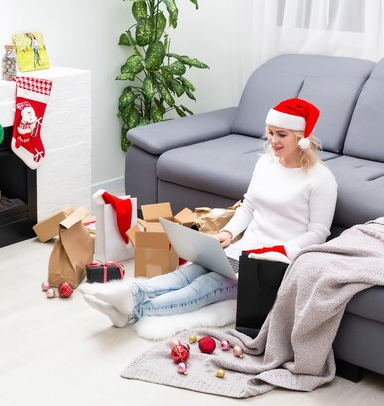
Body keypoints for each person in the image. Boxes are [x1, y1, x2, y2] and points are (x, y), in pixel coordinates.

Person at [82, 98, 338, 328]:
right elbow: (248, 205)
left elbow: (317, 234)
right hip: (243, 250)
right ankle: (134, 295)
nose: (273, 141)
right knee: (188, 272)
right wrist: (227, 232)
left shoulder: (320, 179)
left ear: (301, 136)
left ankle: (132, 310)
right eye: (270, 133)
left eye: (281, 135)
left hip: (271, 264)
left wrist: (278, 251)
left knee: (203, 287)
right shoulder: (266, 163)